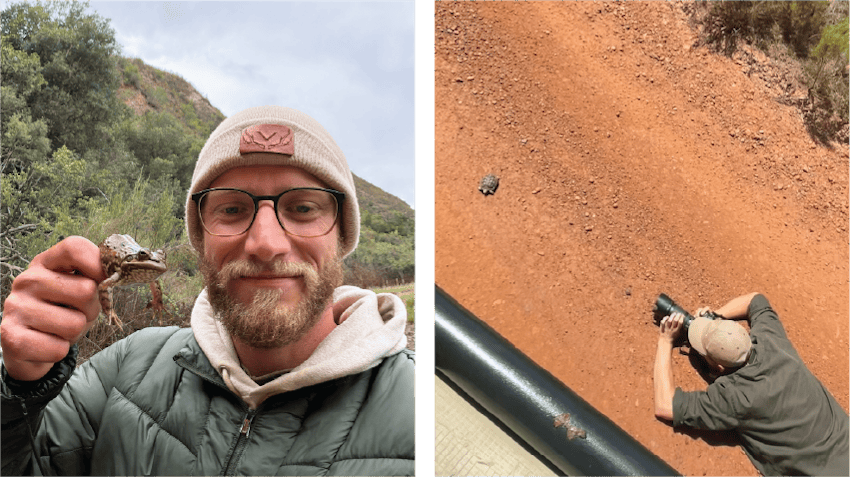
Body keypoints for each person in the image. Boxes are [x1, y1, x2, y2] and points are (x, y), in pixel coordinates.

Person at [0, 106, 415, 476]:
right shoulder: (123, 369)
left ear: (343, 236)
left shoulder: (421, 411)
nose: (266, 244)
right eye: (232, 209)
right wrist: (16, 385)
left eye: (303, 208)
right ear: (201, 241)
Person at [653, 292, 849, 476]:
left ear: (719, 366)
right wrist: (717, 316)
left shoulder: (735, 397)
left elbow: (665, 406)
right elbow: (755, 299)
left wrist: (665, 340)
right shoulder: (771, 340)